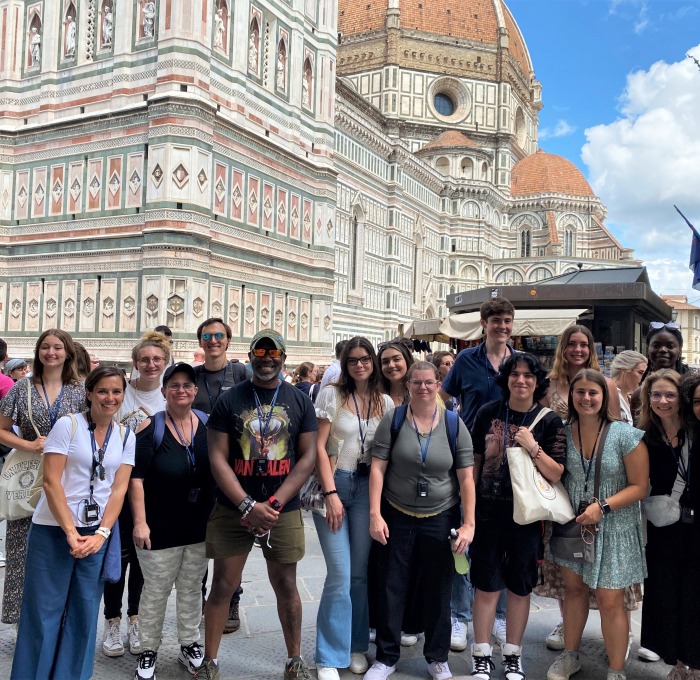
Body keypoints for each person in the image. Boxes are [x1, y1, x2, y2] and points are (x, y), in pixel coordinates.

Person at [196, 329, 318, 680]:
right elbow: (217, 458)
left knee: (286, 585)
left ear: (283, 356)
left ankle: (294, 659)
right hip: (234, 507)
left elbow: (307, 457)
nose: (267, 359)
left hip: (284, 508)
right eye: (260, 352)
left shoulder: (299, 400)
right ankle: (210, 662)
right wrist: (248, 504)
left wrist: (275, 503)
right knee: (223, 584)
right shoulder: (230, 399)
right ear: (250, 356)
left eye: (273, 353)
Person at [10, 366, 135, 680]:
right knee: (43, 613)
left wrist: (102, 533)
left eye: (116, 391)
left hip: (94, 535)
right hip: (54, 529)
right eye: (103, 391)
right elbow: (51, 483)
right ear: (89, 393)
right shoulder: (68, 426)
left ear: (123, 395)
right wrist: (70, 531)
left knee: (84, 612)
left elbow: (118, 489)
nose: (110, 398)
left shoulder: (125, 435)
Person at [365, 361, 475, 680]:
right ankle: (386, 657)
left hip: (440, 517)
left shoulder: (454, 424)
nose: (423, 388)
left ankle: (437, 656)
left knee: (438, 587)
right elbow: (377, 468)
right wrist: (375, 513)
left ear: (438, 385)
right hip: (396, 513)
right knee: (391, 585)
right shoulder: (395, 419)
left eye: (429, 382)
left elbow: (466, 478)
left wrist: (469, 524)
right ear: (409, 386)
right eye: (417, 382)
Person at [547, 369, 648, 680]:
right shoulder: (563, 432)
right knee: (573, 591)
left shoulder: (624, 435)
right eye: (580, 392)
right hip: (575, 523)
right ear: (572, 396)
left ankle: (616, 671)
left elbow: (640, 486)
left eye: (594, 392)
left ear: (605, 397)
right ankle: (570, 655)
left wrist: (603, 506)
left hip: (614, 525)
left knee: (609, 599)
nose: (587, 398)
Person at [470, 353, 566, 679]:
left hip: (528, 517)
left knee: (519, 587)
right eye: (515, 374)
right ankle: (481, 653)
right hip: (488, 513)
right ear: (506, 379)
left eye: (528, 375)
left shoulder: (550, 420)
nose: (521, 380)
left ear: (537, 381)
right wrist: (468, 511)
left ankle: (513, 653)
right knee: (485, 585)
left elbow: (556, 473)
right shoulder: (488, 413)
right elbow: (475, 464)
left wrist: (532, 447)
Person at [313, 337, 394, 680]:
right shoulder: (331, 394)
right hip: (335, 484)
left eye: (365, 360)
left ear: (373, 363)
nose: (359, 365)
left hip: (366, 491)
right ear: (344, 364)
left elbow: (386, 453)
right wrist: (330, 492)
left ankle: (356, 645)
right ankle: (328, 654)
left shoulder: (386, 402)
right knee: (340, 573)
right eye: (353, 361)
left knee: (359, 573)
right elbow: (319, 445)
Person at [539, 324, 622, 652]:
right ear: (563, 347)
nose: (577, 349)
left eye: (583, 344)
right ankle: (567, 622)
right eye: (571, 344)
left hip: (599, 478)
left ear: (591, 348)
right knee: (567, 557)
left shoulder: (607, 384)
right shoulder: (549, 386)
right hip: (561, 479)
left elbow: (615, 429)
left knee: (605, 558)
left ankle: (616, 627)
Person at [440, 297, 517, 651]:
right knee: (462, 534)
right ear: (484, 324)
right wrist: (450, 430)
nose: (502, 326)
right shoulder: (466, 361)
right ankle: (459, 616)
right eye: (496, 320)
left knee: (501, 537)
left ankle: (499, 616)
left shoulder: (518, 363)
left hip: (507, 462)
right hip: (468, 459)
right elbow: (444, 396)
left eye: (507, 321)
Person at [130, 363, 215, 679]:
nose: (181, 390)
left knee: (193, 588)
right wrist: (140, 523)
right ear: (164, 391)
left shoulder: (207, 425)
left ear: (195, 391)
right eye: (174, 385)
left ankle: (189, 642)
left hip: (198, 526)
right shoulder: (150, 428)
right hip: (159, 528)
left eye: (187, 385)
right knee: (155, 590)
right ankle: (149, 649)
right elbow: (135, 479)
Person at [0, 329, 86, 625]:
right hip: (28, 481)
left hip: (67, 481)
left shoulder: (79, 390)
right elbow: (0, 428)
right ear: (38, 352)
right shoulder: (20, 388)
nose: (51, 352)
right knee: (22, 553)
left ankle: (57, 618)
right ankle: (24, 621)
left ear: (67, 353)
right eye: (45, 347)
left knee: (63, 547)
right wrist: (28, 444)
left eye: (58, 347)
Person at [102, 331, 169, 658]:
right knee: (119, 556)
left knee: (145, 558)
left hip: (154, 491)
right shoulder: (120, 394)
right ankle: (112, 620)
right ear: (135, 362)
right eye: (145, 359)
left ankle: (135, 618)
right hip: (118, 488)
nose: (151, 364)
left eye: (157, 359)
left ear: (165, 362)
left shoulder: (169, 397)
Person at [637, 370, 700, 679]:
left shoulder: (696, 430)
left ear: (682, 398)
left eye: (670, 395)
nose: (662, 401)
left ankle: (693, 661)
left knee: (694, 595)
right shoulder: (645, 436)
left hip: (697, 528)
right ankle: (679, 664)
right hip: (664, 529)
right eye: (656, 395)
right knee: (665, 594)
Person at [192, 317, 248, 633]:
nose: (213, 340)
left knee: (231, 541)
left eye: (219, 335)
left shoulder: (241, 374)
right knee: (199, 540)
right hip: (199, 469)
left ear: (228, 340)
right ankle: (198, 600)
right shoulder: (192, 376)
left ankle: (231, 601)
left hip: (235, 469)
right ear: (200, 341)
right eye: (207, 335)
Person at [630, 322, 690, 424]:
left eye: (670, 346)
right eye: (656, 345)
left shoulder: (692, 389)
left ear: (679, 351)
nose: (662, 350)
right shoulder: (638, 395)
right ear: (648, 349)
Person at [610, 351, 647, 425]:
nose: (643, 378)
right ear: (624, 370)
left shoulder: (631, 398)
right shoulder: (608, 395)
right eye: (640, 373)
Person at [377, 340, 414, 407]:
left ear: (407, 360)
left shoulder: (419, 392)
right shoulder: (375, 396)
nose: (391, 365)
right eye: (385, 362)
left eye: (396, 359)